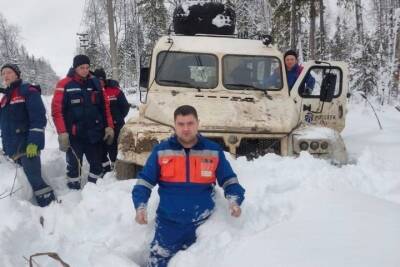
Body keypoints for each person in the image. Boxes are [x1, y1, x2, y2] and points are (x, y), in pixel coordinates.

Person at [132, 105, 245, 267]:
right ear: (174, 125)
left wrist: (234, 200)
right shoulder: (161, 151)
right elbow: (144, 182)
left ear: (198, 123)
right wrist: (140, 206)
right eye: (181, 124)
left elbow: (229, 180)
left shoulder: (212, 151)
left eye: (190, 123)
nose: (186, 128)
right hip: (168, 226)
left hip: (202, 226)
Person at [51, 55, 114, 190]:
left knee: (96, 166)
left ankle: (93, 190)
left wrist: (109, 126)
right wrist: (62, 133)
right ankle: (73, 191)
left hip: (94, 133)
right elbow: (57, 111)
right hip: (75, 135)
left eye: (87, 67)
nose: (85, 70)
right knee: (74, 166)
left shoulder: (96, 83)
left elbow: (105, 107)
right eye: (81, 68)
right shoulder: (64, 84)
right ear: (75, 68)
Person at [0, 63, 55, 207]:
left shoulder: (28, 91)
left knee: (35, 178)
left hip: (27, 145)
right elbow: (4, 125)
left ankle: (50, 205)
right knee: (21, 178)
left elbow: (38, 119)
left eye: (9, 72)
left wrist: (34, 143)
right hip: (11, 148)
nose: (6, 76)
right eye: (3, 73)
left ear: (17, 74)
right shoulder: (5, 99)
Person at [93, 68, 130, 173]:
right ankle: (105, 168)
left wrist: (118, 118)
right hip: (100, 126)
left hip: (116, 125)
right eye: (97, 80)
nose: (100, 82)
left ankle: (116, 165)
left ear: (104, 79)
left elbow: (125, 106)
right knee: (102, 148)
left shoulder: (115, 90)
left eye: (101, 79)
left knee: (115, 146)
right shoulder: (93, 91)